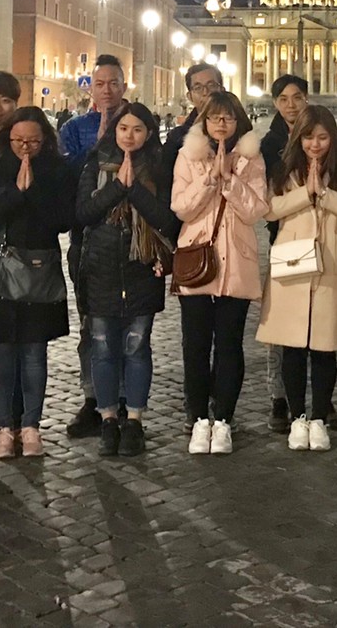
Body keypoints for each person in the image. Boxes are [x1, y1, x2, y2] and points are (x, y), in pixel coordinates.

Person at [257, 106, 337, 452]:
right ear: (298, 138)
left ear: (332, 137)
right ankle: (297, 416)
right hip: (293, 264)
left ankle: (319, 416)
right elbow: (269, 209)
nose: (315, 144)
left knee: (324, 347)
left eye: (322, 137)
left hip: (332, 266)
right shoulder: (285, 171)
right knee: (292, 346)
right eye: (308, 137)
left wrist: (325, 194)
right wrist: (306, 193)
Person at [77, 102, 178, 458]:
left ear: (149, 133)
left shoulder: (160, 168)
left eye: (137, 129)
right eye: (123, 129)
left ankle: (133, 419)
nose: (129, 136)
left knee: (137, 347)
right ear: (114, 131)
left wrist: (133, 189)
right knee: (102, 347)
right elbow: (83, 213)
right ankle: (107, 419)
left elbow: (167, 220)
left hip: (142, 267)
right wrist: (115, 188)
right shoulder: (95, 164)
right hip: (102, 266)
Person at [172, 91, 269, 455]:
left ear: (238, 121)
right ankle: (199, 418)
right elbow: (181, 208)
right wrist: (210, 179)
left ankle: (224, 419)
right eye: (215, 118)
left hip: (237, 261)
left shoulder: (252, 159)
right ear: (205, 121)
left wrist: (230, 180)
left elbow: (256, 210)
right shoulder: (188, 156)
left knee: (229, 345)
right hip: (198, 260)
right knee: (195, 346)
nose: (221, 124)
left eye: (228, 118)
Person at [0, 107, 74, 459]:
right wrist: (15, 193)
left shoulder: (58, 170)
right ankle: (4, 428)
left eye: (33, 141)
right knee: (2, 353)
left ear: (45, 140)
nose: (25, 147)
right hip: (0, 272)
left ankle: (31, 426)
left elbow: (63, 221)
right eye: (19, 140)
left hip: (40, 272)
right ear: (7, 139)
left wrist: (33, 190)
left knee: (35, 353)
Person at [59, 55, 130, 439]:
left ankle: (123, 399)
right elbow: (67, 176)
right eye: (100, 83)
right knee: (91, 323)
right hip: (85, 238)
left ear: (124, 86)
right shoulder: (74, 129)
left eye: (113, 83)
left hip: (128, 239)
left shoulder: (138, 125)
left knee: (129, 323)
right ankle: (93, 398)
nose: (107, 90)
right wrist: (99, 146)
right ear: (91, 87)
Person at [260, 73, 310, 433]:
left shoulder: (326, 135)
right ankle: (280, 396)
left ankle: (320, 397)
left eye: (297, 97)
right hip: (286, 238)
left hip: (324, 238)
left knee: (319, 319)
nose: (291, 105)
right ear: (275, 102)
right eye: (283, 99)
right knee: (282, 321)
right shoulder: (268, 143)